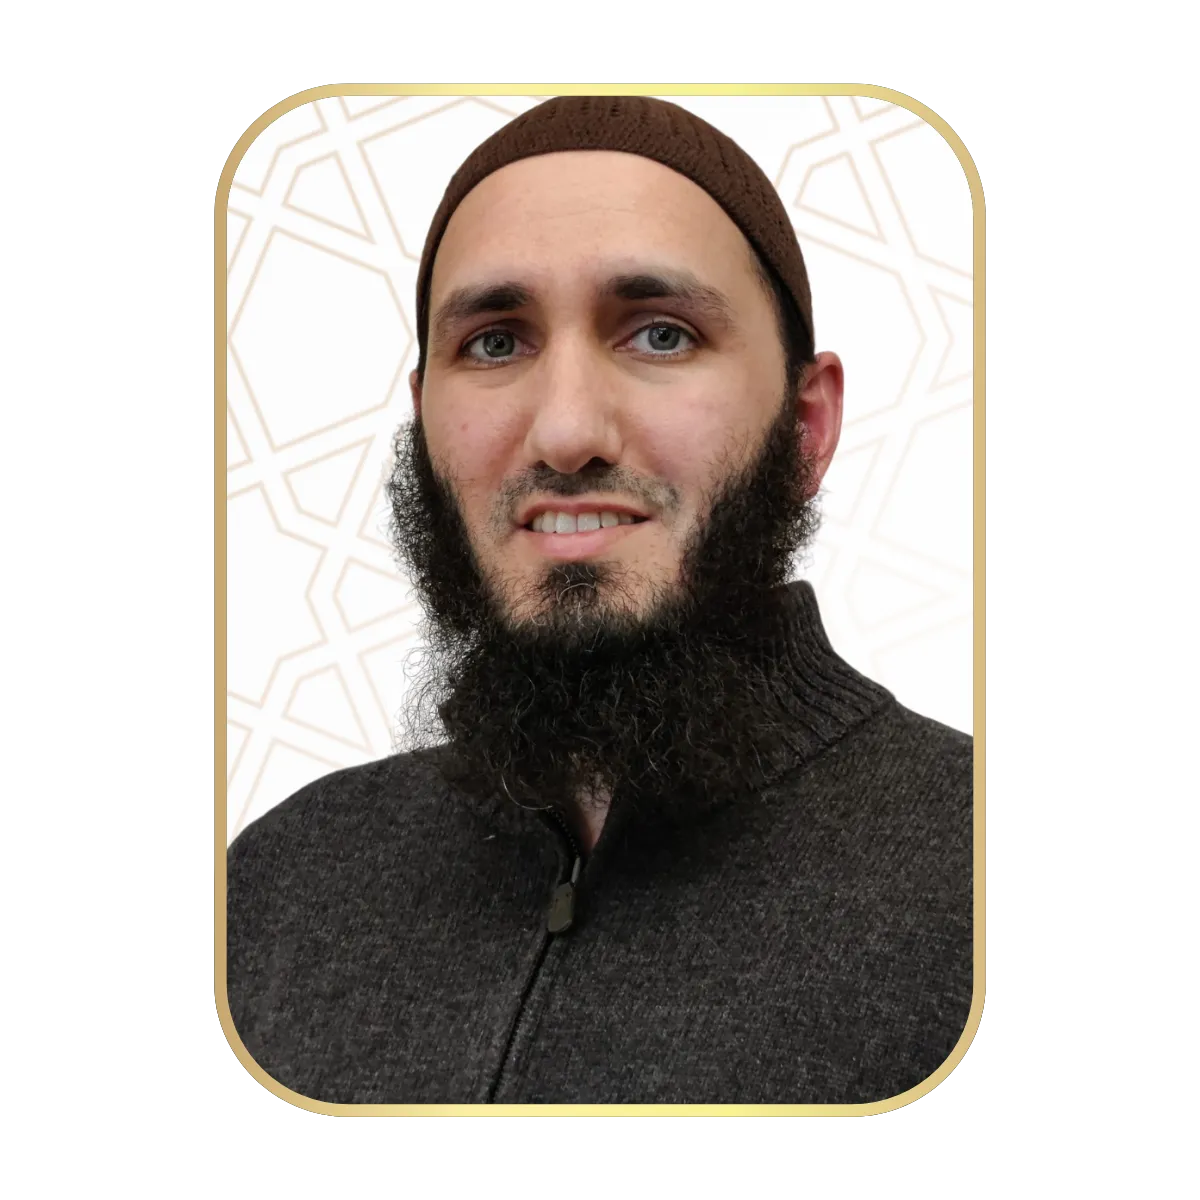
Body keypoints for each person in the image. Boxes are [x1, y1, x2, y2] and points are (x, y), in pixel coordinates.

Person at [226, 95, 975, 1107]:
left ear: (806, 428)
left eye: (660, 335)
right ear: (423, 419)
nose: (568, 431)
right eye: (495, 344)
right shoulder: (275, 888)